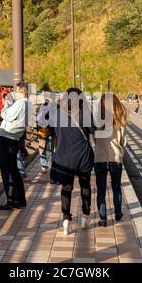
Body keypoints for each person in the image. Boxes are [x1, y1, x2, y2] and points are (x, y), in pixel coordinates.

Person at [50, 88, 95, 235]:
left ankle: (66, 220)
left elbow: (53, 132)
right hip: (83, 155)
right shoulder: (85, 113)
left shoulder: (57, 114)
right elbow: (94, 130)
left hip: (64, 157)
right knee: (85, 184)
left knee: (66, 188)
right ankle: (85, 216)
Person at [94, 93, 129, 227]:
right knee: (116, 187)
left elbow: (94, 138)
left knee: (101, 189)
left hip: (100, 156)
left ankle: (103, 218)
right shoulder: (121, 118)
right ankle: (118, 213)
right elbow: (123, 140)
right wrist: (121, 151)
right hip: (116, 156)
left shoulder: (97, 118)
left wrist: (98, 146)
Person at [0, 82, 31, 210]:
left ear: (22, 92)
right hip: (15, 138)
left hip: (7, 137)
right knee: (14, 170)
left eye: (16, 91)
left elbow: (7, 116)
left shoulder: (20, 103)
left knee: (7, 170)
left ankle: (11, 200)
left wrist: (6, 105)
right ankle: (20, 199)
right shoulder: (28, 103)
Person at [0, 81, 27, 179]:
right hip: (16, 128)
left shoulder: (4, 94)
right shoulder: (4, 94)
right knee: (15, 149)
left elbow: (6, 109)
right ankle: (19, 170)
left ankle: (16, 171)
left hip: (11, 128)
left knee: (11, 150)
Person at [37, 97, 55, 176]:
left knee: (46, 148)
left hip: (47, 130)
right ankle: (48, 165)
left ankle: (46, 166)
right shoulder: (44, 106)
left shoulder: (53, 107)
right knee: (49, 148)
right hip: (46, 130)